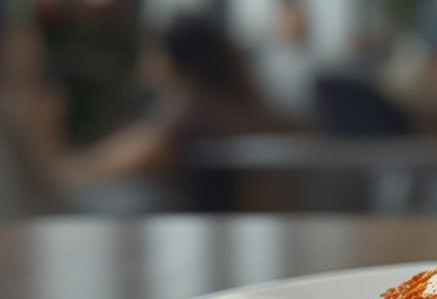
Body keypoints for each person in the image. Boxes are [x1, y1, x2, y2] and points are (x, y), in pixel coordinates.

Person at [2, 13, 283, 207]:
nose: (142, 62)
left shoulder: (186, 113)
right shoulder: (227, 103)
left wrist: (45, 134)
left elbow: (80, 176)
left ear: (170, 60)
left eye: (150, 51)